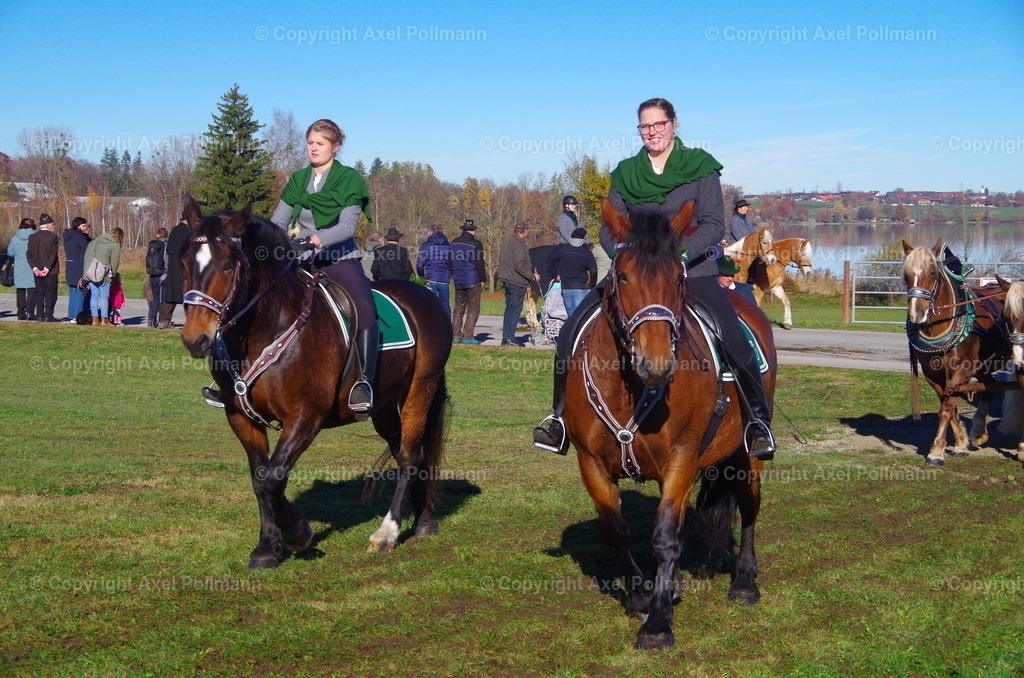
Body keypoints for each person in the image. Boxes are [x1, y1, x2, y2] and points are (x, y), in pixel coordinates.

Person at [533, 97, 776, 459]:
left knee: (733, 334)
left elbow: (712, 224)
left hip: (691, 271)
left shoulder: (701, 168)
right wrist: (621, 255)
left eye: (659, 124)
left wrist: (680, 253)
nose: (652, 132)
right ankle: (560, 419)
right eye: (645, 126)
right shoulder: (625, 172)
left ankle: (757, 422)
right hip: (634, 274)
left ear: (674, 124)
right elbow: (607, 227)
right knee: (570, 331)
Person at [272, 118, 376, 413]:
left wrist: (315, 241)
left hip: (338, 259)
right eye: (310, 143)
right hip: (298, 260)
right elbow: (278, 222)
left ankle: (364, 383)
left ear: (335, 147)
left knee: (365, 308)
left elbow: (346, 227)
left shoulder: (350, 179)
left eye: (320, 144)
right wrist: (264, 240)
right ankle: (236, 380)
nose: (313, 148)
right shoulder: (298, 179)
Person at [497, 222, 539, 346]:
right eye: (527, 231)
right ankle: (509, 337)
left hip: (507, 279)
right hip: (516, 281)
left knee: (509, 309)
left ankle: (506, 337)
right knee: (515, 309)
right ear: (524, 231)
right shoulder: (518, 244)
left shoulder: (507, 240)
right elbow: (519, 264)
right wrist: (532, 276)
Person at [450, 219, 486, 344]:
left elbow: (448, 262)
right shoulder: (476, 244)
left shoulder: (453, 243)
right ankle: (468, 336)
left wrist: (453, 274)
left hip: (459, 280)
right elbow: (479, 264)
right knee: (473, 309)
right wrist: (483, 279)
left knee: (458, 309)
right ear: (474, 230)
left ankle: (455, 335)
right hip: (472, 279)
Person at [548, 227, 597, 317]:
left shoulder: (563, 250)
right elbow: (593, 270)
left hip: (566, 287)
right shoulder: (586, 253)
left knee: (571, 316)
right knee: (581, 316)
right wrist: (591, 285)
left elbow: (550, 261)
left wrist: (555, 275)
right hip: (581, 287)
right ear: (583, 239)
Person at [83, 227, 123, 326]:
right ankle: (104, 320)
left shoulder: (95, 241)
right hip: (104, 273)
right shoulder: (115, 244)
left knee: (94, 295)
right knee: (104, 296)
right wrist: (113, 275)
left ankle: (95, 319)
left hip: (91, 271)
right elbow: (114, 261)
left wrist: (85, 273)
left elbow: (87, 256)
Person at [158, 215, 191, 329]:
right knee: (189, 295)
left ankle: (164, 320)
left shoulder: (175, 230)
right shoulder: (188, 231)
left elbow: (169, 249)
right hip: (184, 266)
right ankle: (191, 321)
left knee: (171, 295)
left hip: (173, 266)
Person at [27, 213, 60, 322]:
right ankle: (48, 315)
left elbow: (29, 254)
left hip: (37, 270)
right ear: (47, 224)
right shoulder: (53, 237)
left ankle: (40, 315)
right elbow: (53, 254)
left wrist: (35, 268)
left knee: (39, 293)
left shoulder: (32, 237)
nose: (53, 226)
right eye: (52, 224)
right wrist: (46, 268)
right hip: (50, 271)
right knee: (50, 293)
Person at [416, 224, 452, 315]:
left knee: (429, 304)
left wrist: (422, 277)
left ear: (431, 232)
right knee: (445, 305)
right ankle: (446, 326)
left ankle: (429, 326)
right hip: (444, 279)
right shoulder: (449, 246)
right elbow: (452, 263)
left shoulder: (426, 246)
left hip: (430, 278)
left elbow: (419, 264)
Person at [62, 217, 91, 322]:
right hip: (79, 266)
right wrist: (87, 236)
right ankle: (78, 315)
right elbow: (89, 248)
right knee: (79, 292)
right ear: (78, 226)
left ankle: (72, 315)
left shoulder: (67, 236)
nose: (85, 228)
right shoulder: (79, 237)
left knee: (73, 291)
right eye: (83, 226)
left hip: (70, 266)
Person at [8, 218, 36, 320]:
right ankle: (31, 312)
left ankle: (21, 313)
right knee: (32, 290)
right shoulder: (35, 237)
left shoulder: (15, 238)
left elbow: (10, 252)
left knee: (20, 291)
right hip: (33, 266)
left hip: (19, 266)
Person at [145, 228, 169, 327]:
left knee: (154, 299)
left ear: (158, 235)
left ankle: (151, 321)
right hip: (162, 274)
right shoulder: (166, 245)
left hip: (152, 275)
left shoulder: (152, 245)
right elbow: (166, 260)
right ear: (166, 235)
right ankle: (161, 320)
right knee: (162, 300)